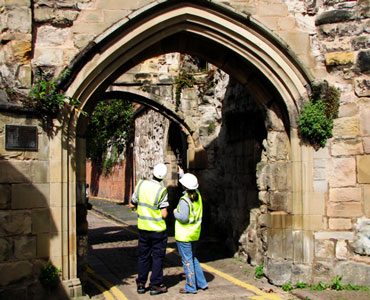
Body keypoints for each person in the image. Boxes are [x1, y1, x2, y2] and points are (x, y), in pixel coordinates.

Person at [130, 163, 169, 295]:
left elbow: (132, 204)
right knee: (157, 257)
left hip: (143, 228)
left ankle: (141, 284)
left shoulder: (141, 185)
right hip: (158, 230)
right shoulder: (161, 190)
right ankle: (155, 285)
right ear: (163, 177)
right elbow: (164, 214)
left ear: (153, 173)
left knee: (143, 256)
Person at [173, 168, 208, 294]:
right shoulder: (197, 194)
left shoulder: (184, 200)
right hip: (194, 233)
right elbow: (190, 184)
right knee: (193, 258)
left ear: (184, 186)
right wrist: (182, 174)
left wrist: (175, 213)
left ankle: (191, 286)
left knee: (187, 261)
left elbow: (183, 217)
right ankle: (202, 283)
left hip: (184, 235)